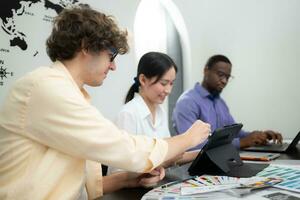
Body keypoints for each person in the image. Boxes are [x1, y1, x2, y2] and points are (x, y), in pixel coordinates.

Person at [0, 5, 211, 200]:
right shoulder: (45, 88)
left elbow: (80, 185)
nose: (113, 67)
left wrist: (128, 179)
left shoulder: (70, 93)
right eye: (111, 56)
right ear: (86, 47)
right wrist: (187, 139)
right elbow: (125, 148)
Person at [109, 52, 198, 176]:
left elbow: (169, 154)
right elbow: (118, 171)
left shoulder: (160, 112)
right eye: (163, 83)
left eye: (171, 83)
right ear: (143, 80)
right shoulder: (127, 115)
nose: (168, 90)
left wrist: (201, 153)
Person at [172, 54, 282, 150]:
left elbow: (235, 133)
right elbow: (190, 145)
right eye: (220, 75)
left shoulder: (220, 103)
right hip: (193, 167)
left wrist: (259, 136)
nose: (224, 81)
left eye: (227, 77)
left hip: (219, 161)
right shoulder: (187, 102)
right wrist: (241, 143)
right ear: (206, 71)